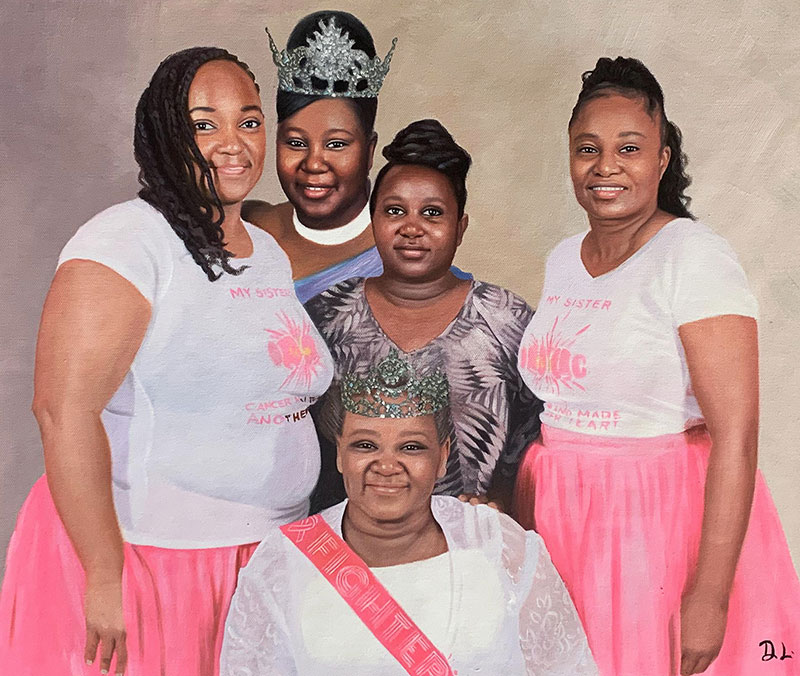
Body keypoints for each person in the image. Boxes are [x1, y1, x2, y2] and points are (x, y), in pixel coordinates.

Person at [0, 47, 333, 676]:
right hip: (151, 559)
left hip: (256, 559)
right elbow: (62, 410)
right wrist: (104, 574)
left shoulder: (264, 250)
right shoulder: (127, 241)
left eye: (249, 121)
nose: (233, 143)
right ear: (163, 134)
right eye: (204, 124)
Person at [514, 56, 800, 676]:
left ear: (663, 158)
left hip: (654, 528)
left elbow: (737, 435)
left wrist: (711, 595)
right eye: (587, 148)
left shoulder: (693, 257)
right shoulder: (564, 258)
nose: (605, 166)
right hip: (561, 519)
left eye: (629, 147)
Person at [220, 352, 598, 675]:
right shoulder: (283, 561)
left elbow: (565, 668)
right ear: (340, 455)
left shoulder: (498, 545)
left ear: (442, 457)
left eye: (411, 447)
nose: (387, 466)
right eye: (365, 445)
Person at [305, 119, 541, 513]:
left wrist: (502, 498)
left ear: (460, 227)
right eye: (395, 210)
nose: (411, 227)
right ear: (373, 220)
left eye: (432, 213)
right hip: (349, 537)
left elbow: (539, 432)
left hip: (470, 535)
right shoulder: (327, 315)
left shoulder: (505, 319)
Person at [243, 10, 393, 302]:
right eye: (296, 143)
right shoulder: (249, 227)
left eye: (336, 144)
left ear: (369, 150)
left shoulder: (401, 246)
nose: (313, 163)